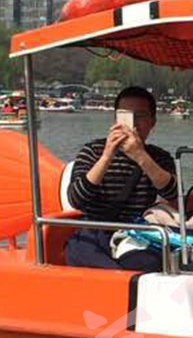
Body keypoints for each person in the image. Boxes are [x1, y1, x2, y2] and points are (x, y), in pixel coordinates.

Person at [64, 86, 179, 271]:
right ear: (115, 120)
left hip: (137, 234)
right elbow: (76, 199)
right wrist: (106, 156)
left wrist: (140, 156)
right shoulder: (92, 151)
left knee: (147, 263)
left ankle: (121, 279)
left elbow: (173, 193)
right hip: (94, 232)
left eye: (140, 116)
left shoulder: (159, 157)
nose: (133, 123)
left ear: (152, 122)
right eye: (126, 116)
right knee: (84, 256)